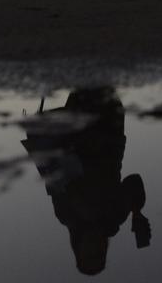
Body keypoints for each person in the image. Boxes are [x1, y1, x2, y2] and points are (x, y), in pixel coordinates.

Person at [20, 88, 151, 275]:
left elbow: (56, 176)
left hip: (79, 137)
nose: (93, 250)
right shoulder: (114, 217)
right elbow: (134, 181)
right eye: (98, 255)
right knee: (100, 77)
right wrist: (136, 212)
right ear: (104, 250)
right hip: (109, 133)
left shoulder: (66, 215)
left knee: (82, 77)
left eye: (88, 255)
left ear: (78, 250)